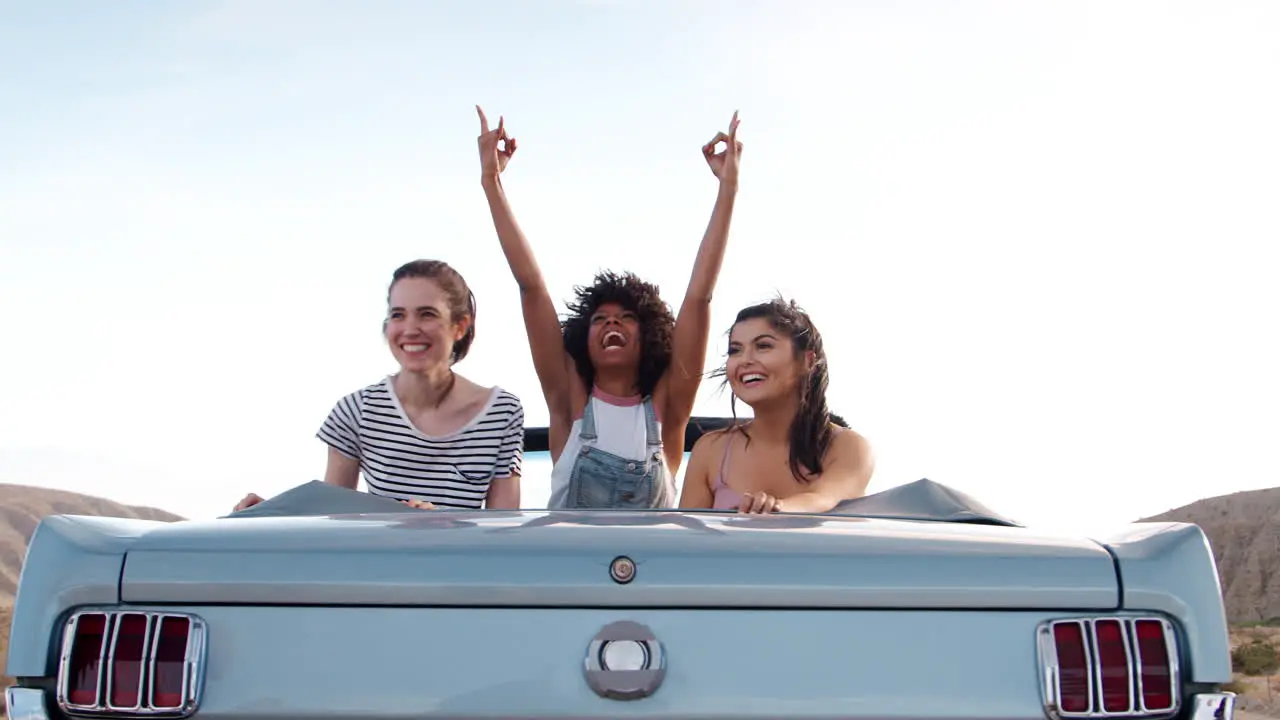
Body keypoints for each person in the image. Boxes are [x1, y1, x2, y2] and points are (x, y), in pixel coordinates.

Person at [475, 105, 741, 509]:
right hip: (569, 570)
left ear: (649, 334)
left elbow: (699, 296)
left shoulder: (667, 408)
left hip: (650, 569)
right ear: (585, 337)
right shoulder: (568, 396)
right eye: (599, 319)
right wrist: (492, 182)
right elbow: (531, 287)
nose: (611, 323)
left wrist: (728, 188)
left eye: (626, 318)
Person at [232, 259, 525, 512]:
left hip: (460, 571)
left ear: (459, 326)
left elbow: (502, 531)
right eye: (398, 315)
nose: (410, 329)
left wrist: (443, 525)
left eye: (427, 314)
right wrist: (270, 515)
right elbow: (331, 520)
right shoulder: (355, 411)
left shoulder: (502, 412)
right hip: (379, 573)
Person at [677, 298, 875, 514]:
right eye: (735, 350)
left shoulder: (849, 447)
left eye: (763, 346)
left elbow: (826, 498)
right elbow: (687, 539)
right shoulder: (710, 450)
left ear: (808, 361)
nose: (745, 360)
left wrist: (777, 509)